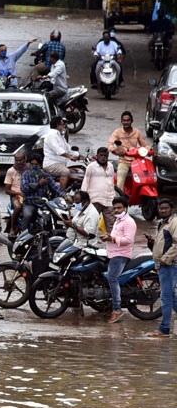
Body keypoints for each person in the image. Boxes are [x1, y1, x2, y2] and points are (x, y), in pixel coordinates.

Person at [101, 195, 136, 324]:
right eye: (114, 208)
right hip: (111, 253)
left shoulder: (129, 222)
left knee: (112, 278)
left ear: (125, 208)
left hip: (121, 255)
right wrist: (108, 237)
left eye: (119, 208)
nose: (116, 210)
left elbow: (128, 240)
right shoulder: (118, 220)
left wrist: (112, 239)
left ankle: (117, 309)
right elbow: (115, 235)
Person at [146, 198, 177, 338]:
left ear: (172, 209)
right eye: (161, 208)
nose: (163, 210)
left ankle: (164, 329)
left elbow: (176, 244)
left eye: (166, 208)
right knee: (170, 295)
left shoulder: (174, 222)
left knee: (166, 298)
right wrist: (152, 243)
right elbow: (165, 242)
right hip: (164, 264)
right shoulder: (162, 223)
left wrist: (165, 259)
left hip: (169, 265)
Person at [19, 151, 65, 233]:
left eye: (36, 164)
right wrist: (39, 184)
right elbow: (24, 188)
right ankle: (23, 236)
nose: (34, 166)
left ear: (40, 165)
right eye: (32, 164)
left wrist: (65, 196)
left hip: (43, 204)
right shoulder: (26, 174)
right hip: (30, 202)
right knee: (28, 215)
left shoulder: (45, 175)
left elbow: (55, 187)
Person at [109, 111, 147, 191]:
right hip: (124, 162)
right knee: (119, 184)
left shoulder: (137, 132)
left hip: (136, 162)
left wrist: (150, 150)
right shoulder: (117, 132)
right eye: (124, 120)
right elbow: (110, 144)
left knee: (145, 179)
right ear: (121, 121)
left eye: (128, 120)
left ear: (132, 121)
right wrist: (115, 150)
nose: (126, 122)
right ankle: (119, 200)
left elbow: (144, 144)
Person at [81, 146, 116, 214]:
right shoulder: (91, 167)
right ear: (97, 156)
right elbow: (85, 183)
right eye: (101, 155)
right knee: (93, 222)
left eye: (105, 155)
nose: (103, 157)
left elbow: (111, 183)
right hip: (95, 200)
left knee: (111, 223)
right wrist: (84, 199)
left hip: (109, 200)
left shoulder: (110, 166)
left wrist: (113, 196)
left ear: (108, 156)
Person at [41, 115, 71, 189]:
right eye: (63, 124)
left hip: (59, 164)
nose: (64, 126)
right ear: (58, 126)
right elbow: (58, 150)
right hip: (51, 164)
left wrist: (80, 155)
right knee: (66, 172)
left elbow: (68, 149)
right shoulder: (51, 135)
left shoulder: (60, 136)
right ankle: (61, 194)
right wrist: (70, 156)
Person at [4, 150, 27, 232]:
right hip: (15, 196)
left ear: (25, 159)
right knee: (18, 207)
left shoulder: (29, 169)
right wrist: (18, 193)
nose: (18, 162)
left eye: (20, 160)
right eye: (16, 160)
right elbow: (7, 190)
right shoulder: (11, 171)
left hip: (28, 195)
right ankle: (12, 228)